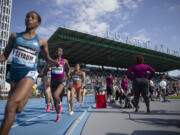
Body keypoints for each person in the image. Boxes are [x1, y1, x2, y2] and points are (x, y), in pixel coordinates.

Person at [0, 11, 58, 135]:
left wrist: (54, 62)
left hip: (29, 73)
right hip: (14, 75)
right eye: (27, 16)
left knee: (10, 106)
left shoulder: (41, 41)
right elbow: (5, 55)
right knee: (18, 109)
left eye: (32, 17)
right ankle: (28, 92)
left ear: (38, 23)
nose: (29, 19)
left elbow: (47, 57)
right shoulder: (15, 36)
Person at [43, 47, 71, 122]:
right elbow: (45, 71)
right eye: (57, 51)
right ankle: (58, 114)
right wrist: (47, 68)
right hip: (53, 82)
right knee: (55, 103)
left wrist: (68, 73)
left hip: (61, 81)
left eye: (60, 51)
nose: (59, 52)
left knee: (56, 95)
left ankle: (60, 104)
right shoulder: (52, 61)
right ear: (56, 52)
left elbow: (69, 68)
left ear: (62, 53)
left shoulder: (65, 61)